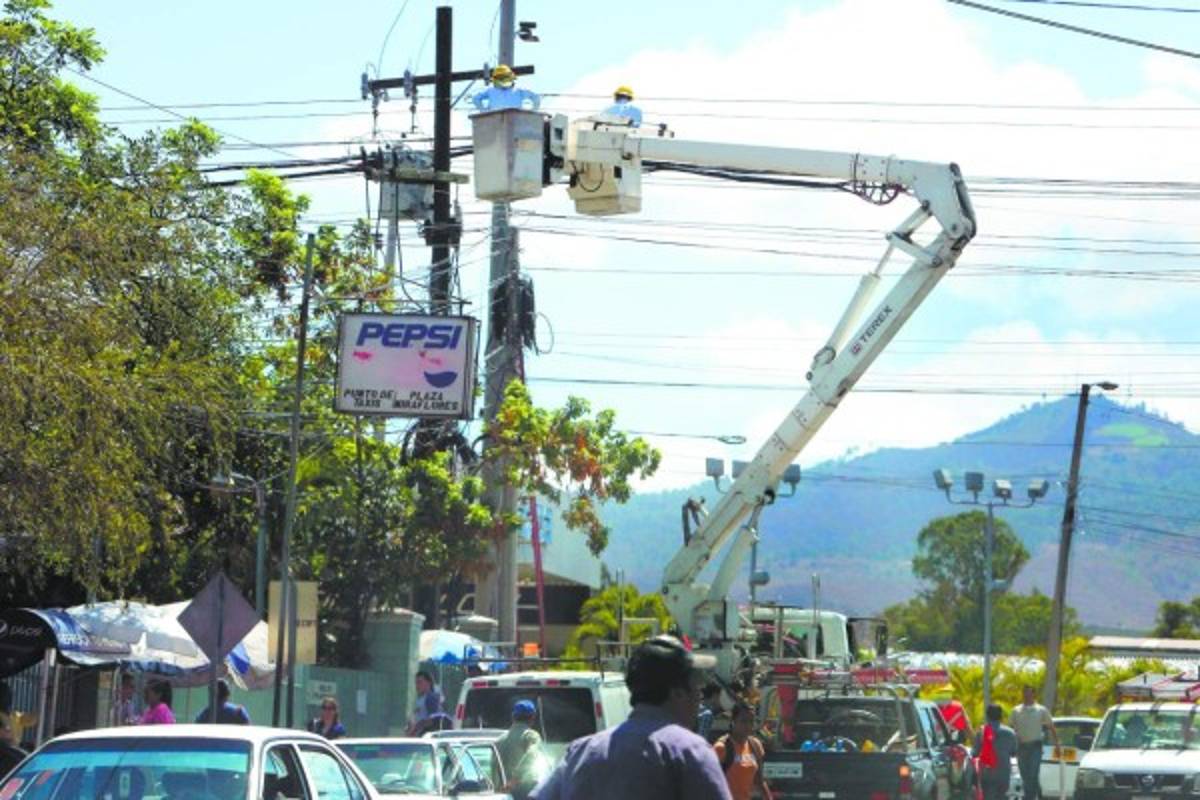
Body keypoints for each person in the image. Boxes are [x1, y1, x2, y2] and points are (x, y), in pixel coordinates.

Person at [530, 634, 732, 800]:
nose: (700, 696)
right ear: (677, 692)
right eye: (697, 688)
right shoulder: (690, 752)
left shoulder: (580, 752)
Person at [712, 703, 772, 800]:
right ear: (733, 721)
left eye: (751, 721)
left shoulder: (755, 745)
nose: (748, 725)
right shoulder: (721, 748)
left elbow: (759, 780)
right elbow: (709, 782)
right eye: (743, 721)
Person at [1010, 685, 1057, 800]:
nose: (1027, 696)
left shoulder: (1041, 710)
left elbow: (1051, 726)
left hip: (1035, 747)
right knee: (1025, 775)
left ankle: (1029, 797)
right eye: (1025, 693)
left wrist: (1057, 744)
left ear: (1033, 695)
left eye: (1029, 693)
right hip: (1021, 747)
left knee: (1033, 774)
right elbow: (1011, 728)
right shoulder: (1016, 711)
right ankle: (1034, 795)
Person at [497, 700, 545, 800]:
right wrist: (515, 779)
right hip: (525, 790)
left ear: (513, 717)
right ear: (532, 718)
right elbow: (532, 755)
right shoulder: (531, 736)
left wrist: (498, 788)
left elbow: (494, 765)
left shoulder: (500, 739)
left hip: (502, 791)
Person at [973, 704, 1017, 800]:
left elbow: (975, 752)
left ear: (987, 716)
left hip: (987, 773)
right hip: (1004, 773)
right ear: (1001, 716)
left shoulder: (981, 732)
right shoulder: (1010, 733)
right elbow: (1014, 752)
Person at [472, 64, 540, 112]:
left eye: (505, 78)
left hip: (515, 121)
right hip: (494, 121)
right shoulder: (491, 91)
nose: (503, 80)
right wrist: (484, 111)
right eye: (500, 78)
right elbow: (476, 98)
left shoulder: (518, 91)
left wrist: (532, 112)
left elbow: (535, 97)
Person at [406, 671, 445, 735]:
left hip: (426, 735)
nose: (417, 685)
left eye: (420, 682)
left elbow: (434, 719)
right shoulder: (420, 698)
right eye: (416, 683)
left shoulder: (430, 697)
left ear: (428, 683)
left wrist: (417, 727)